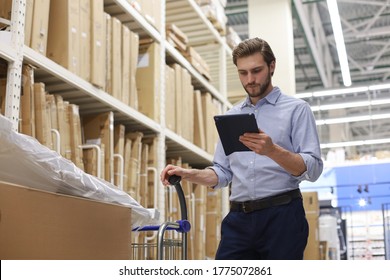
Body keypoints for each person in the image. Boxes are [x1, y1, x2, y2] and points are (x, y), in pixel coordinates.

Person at [160, 37, 323, 260]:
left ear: (272, 66)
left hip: (282, 217)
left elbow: (313, 169)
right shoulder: (231, 117)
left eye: (256, 70)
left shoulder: (297, 110)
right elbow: (223, 173)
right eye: (243, 73)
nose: (250, 80)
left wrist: (272, 150)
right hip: (239, 219)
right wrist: (189, 174)